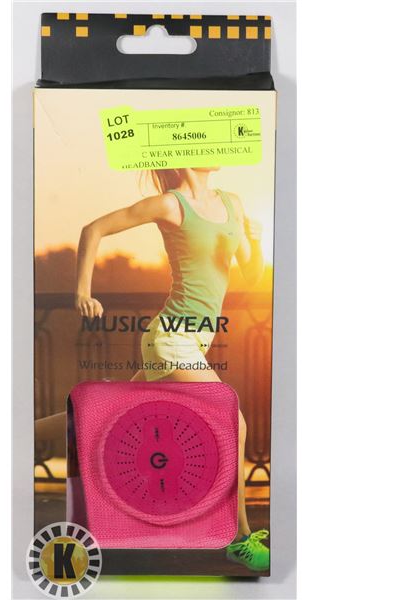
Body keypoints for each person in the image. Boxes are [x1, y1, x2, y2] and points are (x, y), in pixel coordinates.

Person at [73, 166, 268, 570]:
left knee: (101, 415)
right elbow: (93, 229)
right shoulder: (170, 204)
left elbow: (251, 276)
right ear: (185, 153)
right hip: (171, 339)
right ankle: (239, 538)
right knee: (233, 420)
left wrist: (255, 240)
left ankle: (23, 435)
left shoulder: (232, 203)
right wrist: (82, 293)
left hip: (195, 341)